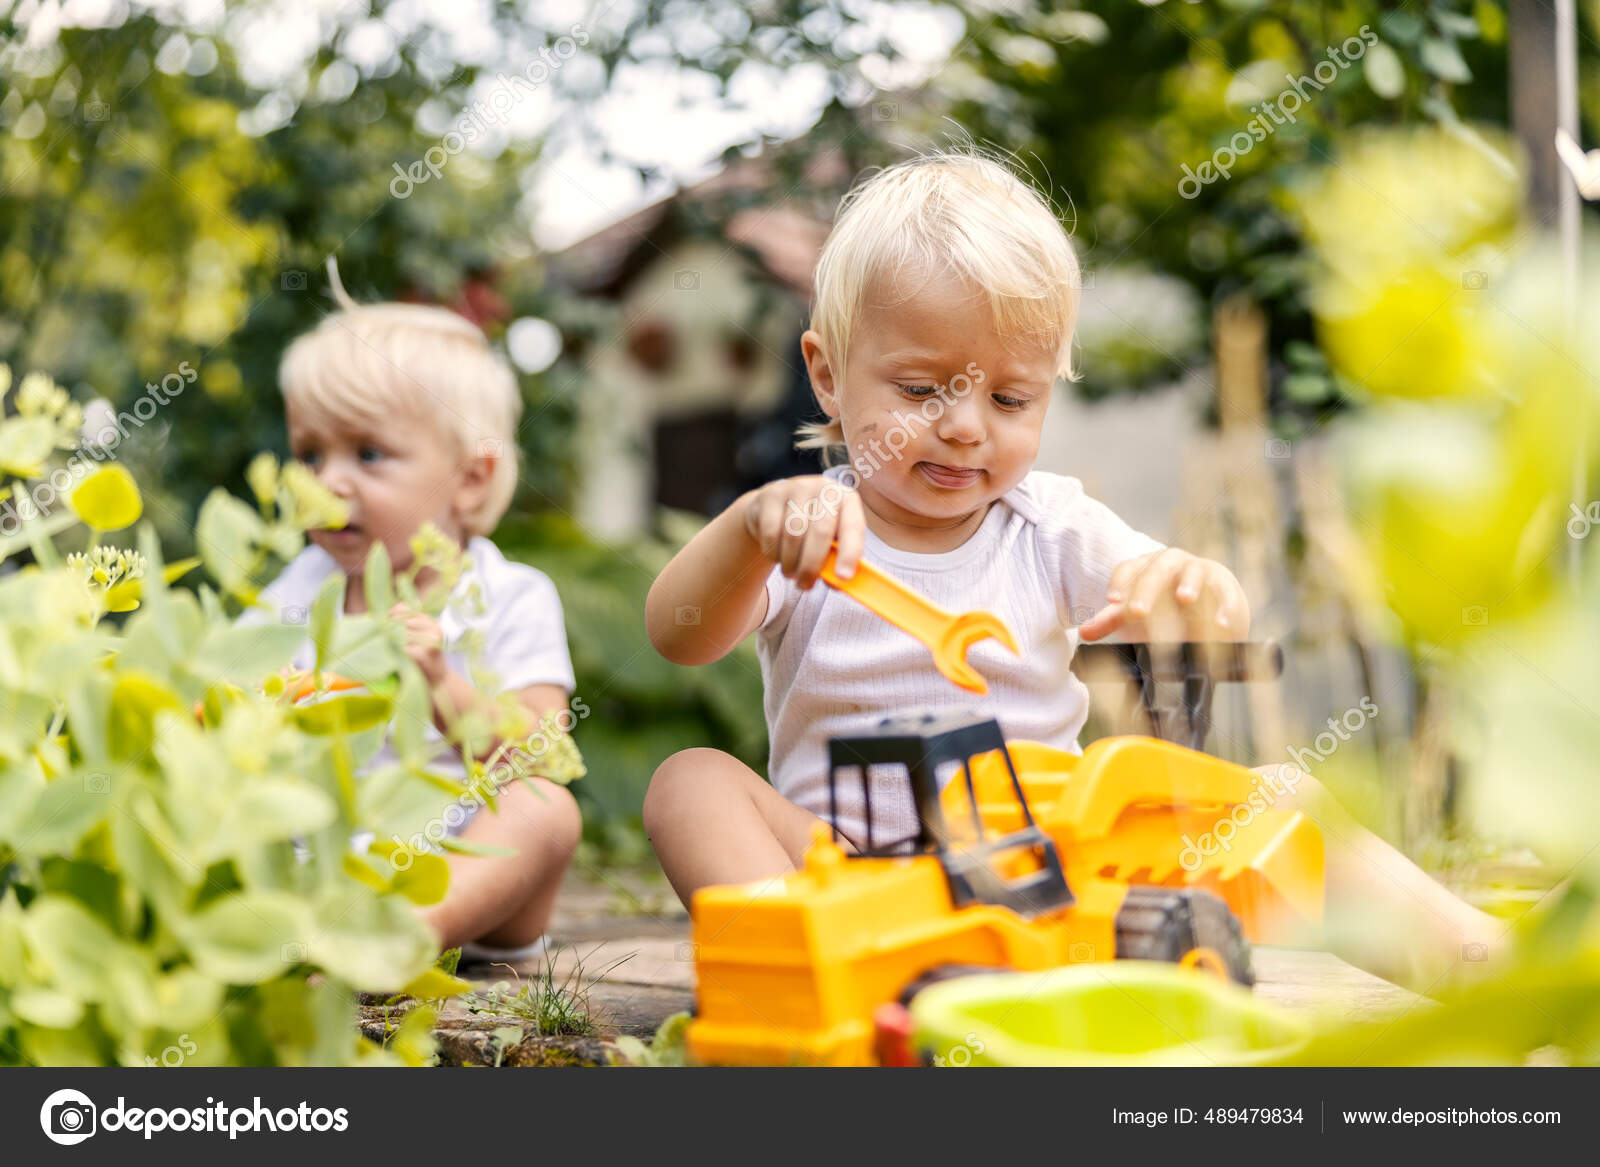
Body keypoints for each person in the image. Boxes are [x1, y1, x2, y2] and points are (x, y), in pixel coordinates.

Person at [642, 150, 1499, 992]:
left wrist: (1194, 589)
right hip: (845, 871)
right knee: (690, 782)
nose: (965, 426)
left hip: (1049, 867)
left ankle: (1476, 957)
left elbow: (1199, 610)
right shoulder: (804, 529)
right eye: (921, 389)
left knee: (1283, 797)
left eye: (1010, 398)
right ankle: (796, 960)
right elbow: (678, 636)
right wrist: (747, 533)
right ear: (828, 376)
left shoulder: (1049, 525)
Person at [245, 295, 581, 963]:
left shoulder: (510, 596)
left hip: (471, 867)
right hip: (322, 861)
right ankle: (325, 935)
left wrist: (436, 683)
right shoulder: (296, 591)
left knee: (544, 807)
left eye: (368, 453)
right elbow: (230, 701)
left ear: (470, 479)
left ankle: (394, 944)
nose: (328, 481)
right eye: (310, 455)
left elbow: (542, 755)